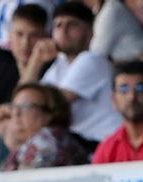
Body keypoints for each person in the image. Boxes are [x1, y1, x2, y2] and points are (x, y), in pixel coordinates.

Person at [39, 1, 124, 144]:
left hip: (102, 142)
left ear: (89, 32)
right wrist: (36, 61)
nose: (63, 31)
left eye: (72, 25)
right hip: (77, 142)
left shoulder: (92, 59)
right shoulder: (59, 65)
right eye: (58, 25)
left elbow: (54, 105)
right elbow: (27, 98)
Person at [0, 82, 91, 170]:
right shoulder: (32, 142)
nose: (16, 113)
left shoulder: (46, 140)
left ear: (49, 114)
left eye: (26, 106)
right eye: (14, 107)